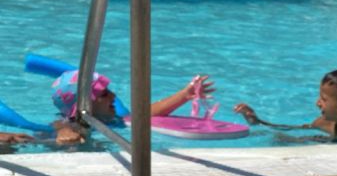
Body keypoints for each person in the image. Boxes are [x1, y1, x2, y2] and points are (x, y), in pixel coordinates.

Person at [50, 70, 216, 145]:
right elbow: (60, 125)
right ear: (85, 105)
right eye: (104, 94)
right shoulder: (73, 124)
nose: (113, 96)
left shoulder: (112, 119)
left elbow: (144, 114)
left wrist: (184, 95)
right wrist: (64, 132)